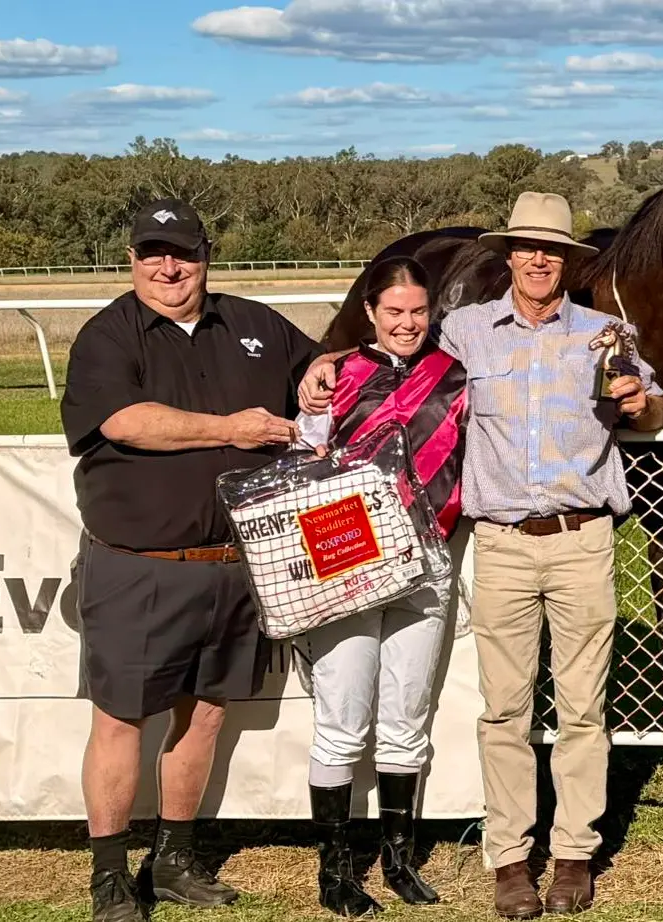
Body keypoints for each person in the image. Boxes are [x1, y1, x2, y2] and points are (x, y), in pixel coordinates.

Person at [300, 191, 663, 919]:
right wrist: (327, 360)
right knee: (504, 712)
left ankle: (573, 852)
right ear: (510, 256)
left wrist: (639, 404)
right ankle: (510, 858)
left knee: (583, 708)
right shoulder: (464, 330)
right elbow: (395, 337)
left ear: (567, 261)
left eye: (552, 250)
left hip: (583, 539)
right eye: (528, 248)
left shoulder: (605, 334)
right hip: (500, 543)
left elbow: (651, 410)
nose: (539, 260)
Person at [60, 199, 320, 922]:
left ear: (206, 256)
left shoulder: (255, 323)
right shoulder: (108, 335)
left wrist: (326, 372)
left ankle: (173, 858)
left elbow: (317, 363)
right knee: (121, 722)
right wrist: (233, 430)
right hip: (140, 566)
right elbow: (126, 422)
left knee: (205, 716)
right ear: (132, 259)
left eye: (182, 253)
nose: (167, 267)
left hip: (234, 566)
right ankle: (110, 878)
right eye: (152, 253)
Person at [294, 256, 467, 917]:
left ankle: (398, 859)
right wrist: (321, 376)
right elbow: (304, 462)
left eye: (418, 311)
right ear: (369, 312)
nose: (406, 323)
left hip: (427, 562)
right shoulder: (335, 378)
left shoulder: (454, 377)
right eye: (393, 311)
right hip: (351, 562)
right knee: (342, 720)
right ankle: (335, 870)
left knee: (407, 719)